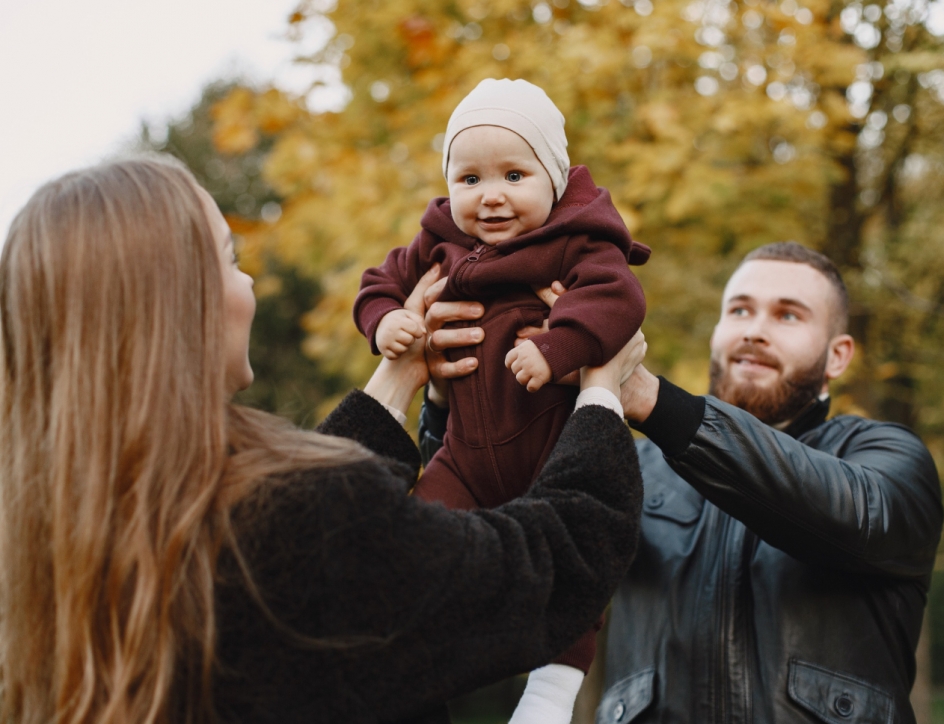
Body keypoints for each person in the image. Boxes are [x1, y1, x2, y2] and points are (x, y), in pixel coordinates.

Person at [0, 157, 647, 724]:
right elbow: (549, 566)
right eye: (229, 260)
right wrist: (599, 390)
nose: (248, 284)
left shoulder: (49, 537)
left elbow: (318, 522)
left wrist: (398, 376)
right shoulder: (295, 528)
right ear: (175, 303)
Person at [421, 242, 943, 724]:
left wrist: (647, 397)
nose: (754, 330)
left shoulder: (887, 457)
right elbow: (498, 543)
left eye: (788, 315)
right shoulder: (631, 467)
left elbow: (856, 515)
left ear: (839, 355)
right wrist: (455, 400)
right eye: (739, 310)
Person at [354, 78, 649, 722]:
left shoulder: (578, 239)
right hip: (462, 454)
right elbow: (381, 281)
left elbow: (617, 297)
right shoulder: (440, 243)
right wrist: (384, 323)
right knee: (412, 553)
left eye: (515, 175)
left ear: (553, 178)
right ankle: (415, 678)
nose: (490, 196)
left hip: (551, 449)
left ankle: (550, 692)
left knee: (576, 566)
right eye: (469, 179)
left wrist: (559, 347)